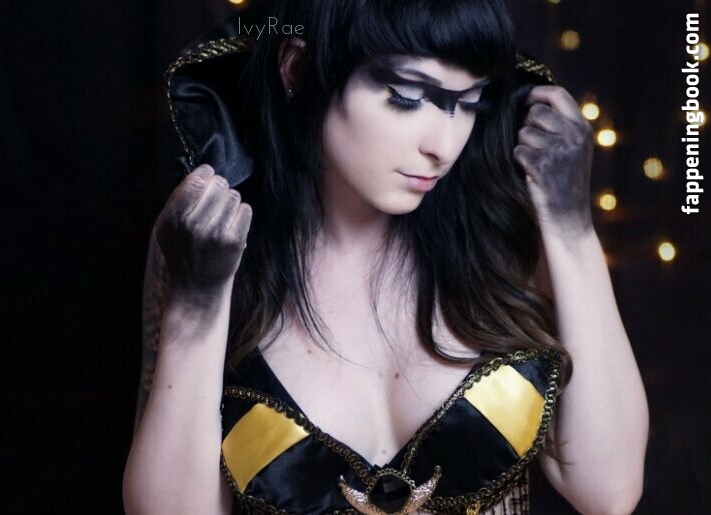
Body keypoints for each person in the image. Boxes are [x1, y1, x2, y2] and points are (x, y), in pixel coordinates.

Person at [123, 1, 649, 513]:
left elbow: (609, 492)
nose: (444, 145)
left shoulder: (504, 232)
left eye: (469, 102)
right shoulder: (212, 247)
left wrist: (571, 226)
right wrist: (197, 303)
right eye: (407, 97)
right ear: (299, 68)